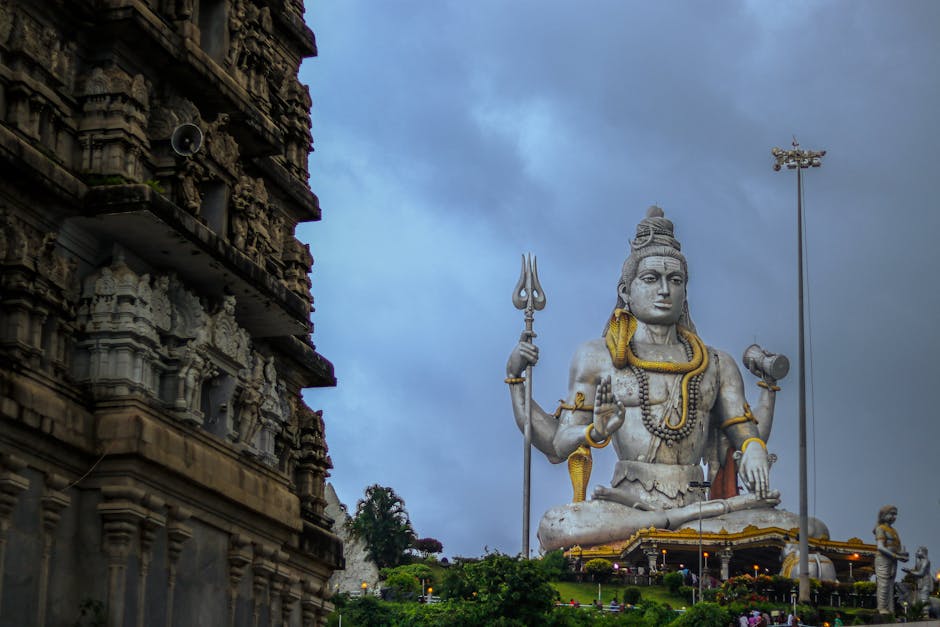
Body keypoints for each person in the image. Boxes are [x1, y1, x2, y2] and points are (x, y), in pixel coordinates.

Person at [507, 207, 807, 551]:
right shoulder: (597, 356)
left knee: (808, 525)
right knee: (559, 526)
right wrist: (518, 381)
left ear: (685, 290)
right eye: (651, 279)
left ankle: (668, 525)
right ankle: (666, 525)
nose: (664, 290)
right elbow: (558, 444)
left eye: (675, 281)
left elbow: (742, 431)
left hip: (702, 505)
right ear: (626, 290)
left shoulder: (716, 362)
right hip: (626, 503)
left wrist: (753, 448)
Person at [873, 505, 908, 614]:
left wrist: (902, 554)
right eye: (891, 514)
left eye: (895, 514)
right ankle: (882, 608)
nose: (894, 517)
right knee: (883, 583)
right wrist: (897, 556)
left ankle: (890, 609)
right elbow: (880, 547)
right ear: (883, 515)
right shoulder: (880, 528)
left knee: (890, 584)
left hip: (893, 559)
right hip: (883, 559)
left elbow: (896, 548)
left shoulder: (893, 530)